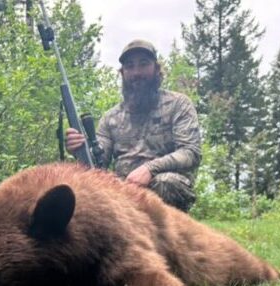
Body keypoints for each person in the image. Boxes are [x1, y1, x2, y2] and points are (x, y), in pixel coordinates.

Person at [65, 39, 202, 212]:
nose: (136, 72)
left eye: (143, 64)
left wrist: (149, 169)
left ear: (157, 69)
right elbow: (97, 166)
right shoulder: (111, 118)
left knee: (165, 183)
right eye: (130, 66)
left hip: (165, 186)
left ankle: (168, 237)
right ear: (122, 73)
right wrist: (79, 149)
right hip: (123, 192)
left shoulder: (178, 104)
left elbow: (190, 152)